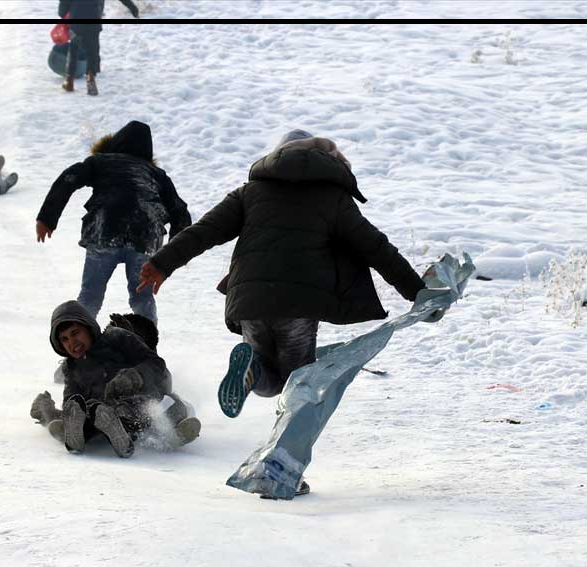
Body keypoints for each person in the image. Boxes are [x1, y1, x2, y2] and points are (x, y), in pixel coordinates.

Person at [136, 130, 430, 497]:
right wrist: (417, 292)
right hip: (298, 308)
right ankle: (281, 471)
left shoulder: (251, 192)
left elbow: (205, 231)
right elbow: (377, 248)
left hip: (250, 301)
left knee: (269, 379)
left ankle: (252, 370)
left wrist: (162, 263)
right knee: (300, 392)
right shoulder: (333, 198)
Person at [35, 120, 190, 323]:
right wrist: (172, 256)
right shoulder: (157, 175)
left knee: (90, 294)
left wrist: (47, 218)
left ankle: (81, 342)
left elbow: (68, 179)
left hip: (104, 232)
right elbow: (180, 212)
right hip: (144, 239)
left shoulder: (101, 161)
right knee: (142, 297)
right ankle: (148, 344)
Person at [30, 301, 201, 457]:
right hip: (102, 413)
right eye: (65, 339)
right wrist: (73, 410)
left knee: (166, 404)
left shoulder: (117, 338)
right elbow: (72, 399)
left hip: (137, 402)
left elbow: (156, 365)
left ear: (88, 327)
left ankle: (174, 432)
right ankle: (77, 431)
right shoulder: (72, 367)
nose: (71, 342)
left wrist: (134, 376)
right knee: (88, 412)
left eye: (75, 333)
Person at [57, 0, 140, 95]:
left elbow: (63, 5)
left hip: (76, 21)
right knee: (92, 50)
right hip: (94, 20)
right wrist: (133, 8)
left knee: (74, 48)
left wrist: (62, 13)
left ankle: (69, 81)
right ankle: (91, 77)